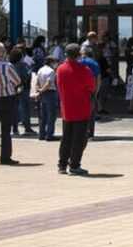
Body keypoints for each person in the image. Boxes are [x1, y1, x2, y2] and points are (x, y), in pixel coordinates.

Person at [56, 43, 95, 175]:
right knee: (79, 139)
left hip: (66, 108)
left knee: (66, 138)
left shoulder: (60, 69)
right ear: (78, 55)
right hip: (81, 108)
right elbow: (91, 87)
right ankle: (74, 164)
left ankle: (62, 165)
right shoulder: (84, 69)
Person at [10, 48, 35, 136]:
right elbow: (26, 75)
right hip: (24, 88)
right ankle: (27, 128)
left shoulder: (10, 65)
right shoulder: (23, 65)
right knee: (25, 108)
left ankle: (15, 129)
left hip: (13, 89)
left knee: (14, 109)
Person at [34, 56, 60, 141]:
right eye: (55, 62)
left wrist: (39, 91)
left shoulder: (40, 70)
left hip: (43, 94)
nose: (56, 64)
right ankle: (49, 135)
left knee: (43, 116)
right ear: (51, 62)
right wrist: (42, 90)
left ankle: (41, 134)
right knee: (51, 115)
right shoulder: (51, 71)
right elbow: (49, 83)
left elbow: (37, 82)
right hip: (50, 93)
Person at [79, 46, 102, 138]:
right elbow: (98, 78)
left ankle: (82, 131)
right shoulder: (94, 63)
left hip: (80, 90)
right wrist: (97, 90)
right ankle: (90, 132)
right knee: (91, 113)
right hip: (91, 90)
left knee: (81, 112)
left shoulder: (80, 62)